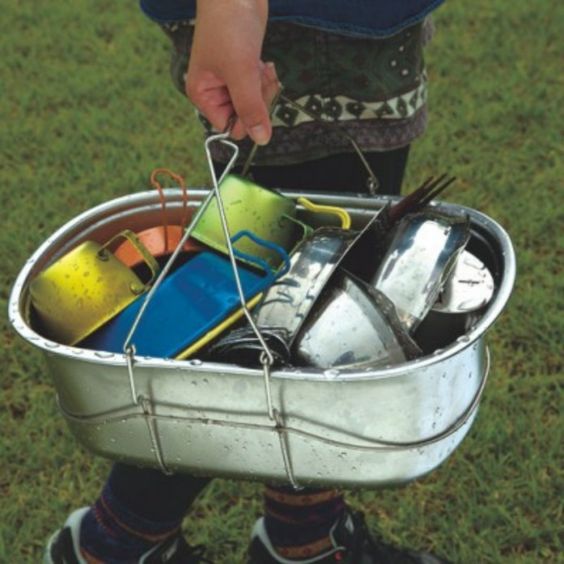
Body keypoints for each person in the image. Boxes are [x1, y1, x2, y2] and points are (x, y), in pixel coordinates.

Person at [44, 1, 450, 563]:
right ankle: (114, 543)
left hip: (354, 18)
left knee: (327, 289)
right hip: (300, 20)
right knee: (294, 323)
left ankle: (302, 535)